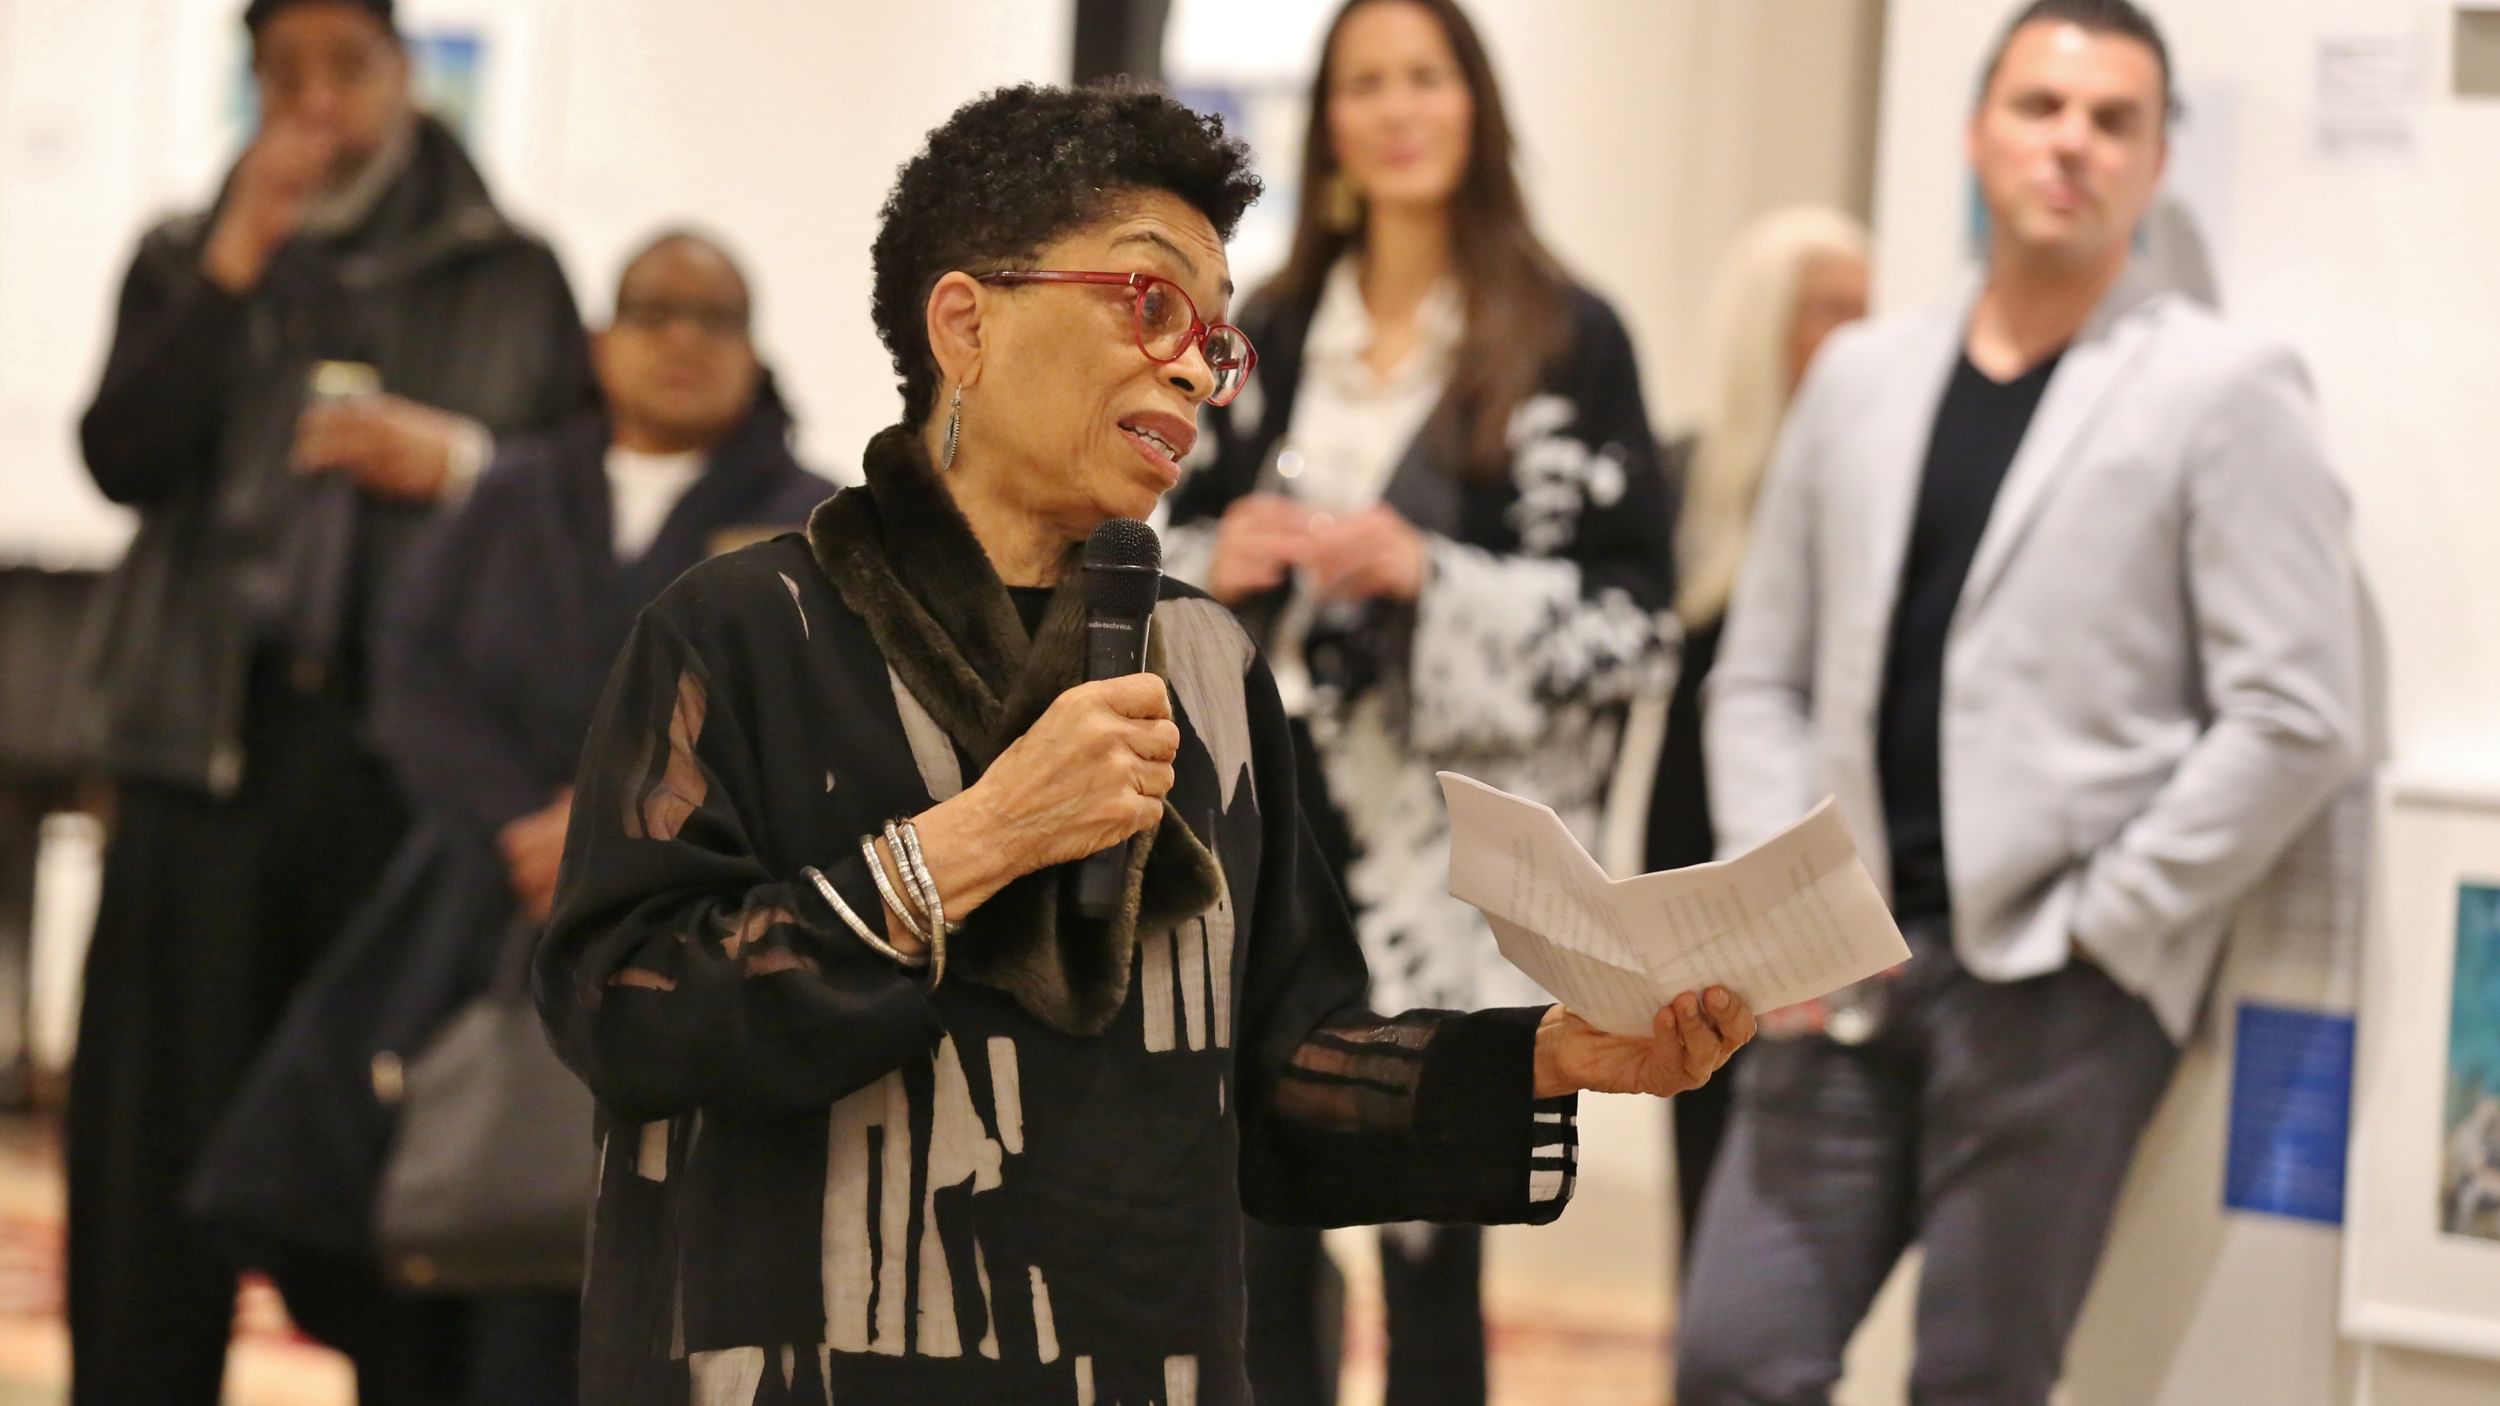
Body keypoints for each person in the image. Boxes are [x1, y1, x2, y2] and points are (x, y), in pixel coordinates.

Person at [535, 82, 1752, 1406]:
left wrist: (1551, 1054)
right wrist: (975, 841)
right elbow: (623, 1004)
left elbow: (1279, 1070)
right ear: (967, 323)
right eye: (1150, 302)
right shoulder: (742, 631)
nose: (1190, 369)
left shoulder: (1210, 665)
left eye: (1215, 340)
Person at [1675, 3, 2365, 1403]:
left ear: (2157, 159)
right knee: (1734, 1357)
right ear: (1977, 133)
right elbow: (1760, 675)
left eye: (2113, 120)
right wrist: (1777, 903)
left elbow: (2297, 711)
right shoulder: (1862, 376)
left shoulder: (2222, 388)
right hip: (1841, 967)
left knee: (1980, 1379)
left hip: (2061, 989)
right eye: (2041, 107)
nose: (2071, 143)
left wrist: (2110, 924)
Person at [185, 229, 831, 1405]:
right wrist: (518, 818)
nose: (683, 340)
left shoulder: (809, 523)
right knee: (438, 1232)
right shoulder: (517, 491)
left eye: (715, 318)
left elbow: (809, 718)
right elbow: (414, 668)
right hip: (482, 910)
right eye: (654, 311)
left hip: (694, 933)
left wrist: (619, 827)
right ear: (600, 341)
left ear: (754, 351)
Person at [65, 0, 591, 1399]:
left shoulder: (510, 269)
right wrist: (231, 265)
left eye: (343, 69)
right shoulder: (188, 254)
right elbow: (122, 454)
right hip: (207, 745)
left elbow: (577, 499)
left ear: (405, 75)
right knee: (154, 1144)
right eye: (280, 75)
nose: (313, 104)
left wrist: (457, 460)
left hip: (406, 768)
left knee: (389, 1140)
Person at [1161, 3, 1678, 1397]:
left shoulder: (1568, 336)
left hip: (1449, 854)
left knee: (1435, 1223)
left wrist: (1432, 579)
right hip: (1262, 825)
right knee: (1255, 1212)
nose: (1396, 110)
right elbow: (1147, 539)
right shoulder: (1262, 328)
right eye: (1364, 84)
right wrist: (1219, 554)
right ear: (1328, 121)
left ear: (1474, 105)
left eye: (1423, 79)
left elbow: (1636, 621)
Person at [1640, 206, 1867, 1264]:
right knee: (1696, 1080)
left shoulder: (1868, 486)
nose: (1853, 335)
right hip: (1692, 815)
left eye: (1864, 311)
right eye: (1826, 310)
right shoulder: (1688, 474)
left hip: (1813, 812)